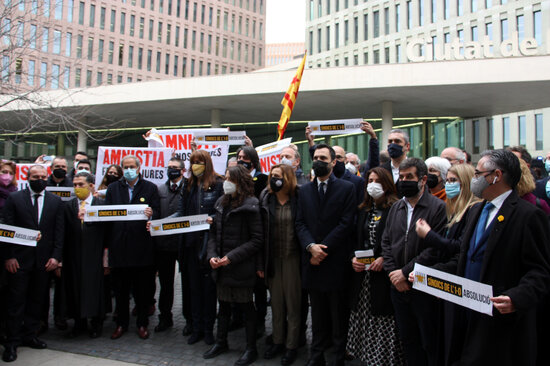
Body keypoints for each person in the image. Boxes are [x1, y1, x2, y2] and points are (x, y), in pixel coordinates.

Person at [434, 149, 550, 365]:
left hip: (501, 324)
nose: (474, 179)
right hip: (467, 315)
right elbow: (465, 257)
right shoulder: (475, 211)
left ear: (495, 176)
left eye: (478, 174)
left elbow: (540, 271)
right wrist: (434, 277)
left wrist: (517, 297)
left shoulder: (528, 215)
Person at [381, 158, 447, 366]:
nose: (404, 181)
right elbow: (387, 242)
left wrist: (405, 272)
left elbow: (434, 248)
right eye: (402, 177)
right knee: (407, 339)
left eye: (410, 177)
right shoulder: (396, 208)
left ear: (423, 179)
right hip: (397, 286)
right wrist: (394, 274)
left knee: (428, 340)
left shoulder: (437, 208)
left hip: (423, 285)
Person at [295, 144, 356, 366]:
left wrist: (323, 248)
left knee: (339, 316)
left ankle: (338, 356)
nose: (319, 160)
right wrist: (311, 246)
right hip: (312, 262)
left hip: (335, 262)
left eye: (324, 157)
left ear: (333, 162)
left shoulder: (347, 188)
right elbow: (299, 223)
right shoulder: (303, 190)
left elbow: (346, 223)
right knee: (318, 315)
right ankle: (316, 355)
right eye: (316, 157)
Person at [2, 165, 64, 363]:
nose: (40, 179)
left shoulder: (55, 201)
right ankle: (11, 342)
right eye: (35, 176)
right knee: (15, 302)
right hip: (19, 261)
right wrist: (9, 257)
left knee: (37, 301)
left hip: (44, 262)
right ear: (27, 178)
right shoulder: (15, 199)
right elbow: (7, 230)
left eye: (43, 177)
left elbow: (58, 233)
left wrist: (55, 257)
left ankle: (29, 335)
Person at [203, 165, 263, 366]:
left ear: (240, 181)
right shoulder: (221, 202)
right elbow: (213, 234)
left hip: (240, 267)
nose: (226, 182)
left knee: (246, 308)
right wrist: (212, 255)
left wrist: (231, 257)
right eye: (226, 177)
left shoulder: (251, 204)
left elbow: (256, 240)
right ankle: (221, 342)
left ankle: (250, 348)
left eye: (230, 178)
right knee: (224, 307)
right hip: (221, 267)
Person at [347, 167, 404, 365]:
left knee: (383, 318)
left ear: (387, 184)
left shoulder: (396, 208)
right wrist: (354, 258)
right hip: (364, 276)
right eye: (369, 180)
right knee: (365, 316)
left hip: (384, 275)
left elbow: (399, 242)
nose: (372, 184)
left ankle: (382, 359)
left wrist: (384, 259)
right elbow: (357, 240)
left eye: (377, 181)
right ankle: (366, 356)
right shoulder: (364, 209)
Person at [105, 155, 160, 340]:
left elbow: (158, 213)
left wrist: (152, 214)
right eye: (125, 166)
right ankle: (121, 324)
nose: (129, 169)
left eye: (131, 166)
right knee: (120, 291)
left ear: (138, 168)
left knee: (142, 291)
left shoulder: (150, 188)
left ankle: (142, 324)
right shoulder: (113, 189)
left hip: (142, 248)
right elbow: (106, 215)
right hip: (119, 248)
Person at [173, 151, 224, 345]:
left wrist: (215, 219)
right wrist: (158, 225)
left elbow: (224, 212)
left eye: (200, 162)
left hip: (209, 246)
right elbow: (180, 213)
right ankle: (196, 328)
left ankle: (209, 329)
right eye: (193, 162)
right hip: (190, 245)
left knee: (209, 291)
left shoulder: (218, 184)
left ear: (207, 163)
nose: (196, 166)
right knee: (193, 289)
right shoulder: (188, 185)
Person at [260, 164, 301, 365]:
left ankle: (291, 345)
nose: (274, 179)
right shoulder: (267, 199)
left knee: (293, 305)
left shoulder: (298, 198)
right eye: (272, 176)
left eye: (279, 176)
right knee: (276, 304)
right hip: (273, 258)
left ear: (288, 178)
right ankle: (277, 341)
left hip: (293, 259)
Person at [62, 171, 106, 338]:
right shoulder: (68, 206)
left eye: (81, 185)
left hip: (95, 255)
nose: (77, 188)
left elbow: (107, 232)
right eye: (75, 185)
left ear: (91, 185)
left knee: (95, 289)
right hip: (74, 255)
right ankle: (79, 323)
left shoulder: (101, 204)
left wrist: (106, 258)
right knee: (76, 288)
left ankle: (96, 323)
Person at [150, 157, 187, 334]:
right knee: (165, 284)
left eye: (175, 167)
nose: (171, 170)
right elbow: (155, 212)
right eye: (169, 167)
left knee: (188, 283)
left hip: (183, 243)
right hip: (164, 244)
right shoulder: (160, 189)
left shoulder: (189, 187)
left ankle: (190, 319)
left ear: (182, 170)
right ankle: (165, 317)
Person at [235, 145, 268, 335]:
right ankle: (239, 317)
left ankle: (260, 320)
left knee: (258, 285)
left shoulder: (262, 179)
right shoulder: (234, 179)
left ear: (253, 161)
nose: (241, 160)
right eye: (239, 156)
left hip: (256, 234)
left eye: (245, 157)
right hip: (239, 235)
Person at [0, 160, 17, 343]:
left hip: (6, 252)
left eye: (10, 172)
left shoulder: (14, 195)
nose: (7, 175)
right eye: (3, 172)